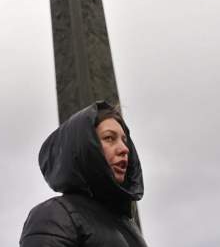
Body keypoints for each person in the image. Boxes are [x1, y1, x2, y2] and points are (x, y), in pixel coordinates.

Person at [20, 102, 147, 247]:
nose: (125, 149)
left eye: (125, 141)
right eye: (109, 138)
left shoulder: (130, 227)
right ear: (84, 147)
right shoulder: (55, 216)